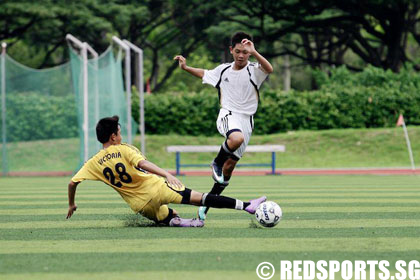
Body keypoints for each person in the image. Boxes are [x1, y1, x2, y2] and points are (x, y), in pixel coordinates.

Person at [66, 115, 266, 227]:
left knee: (168, 216)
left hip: (140, 205)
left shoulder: (92, 163)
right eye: (118, 132)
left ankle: (182, 222)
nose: (120, 135)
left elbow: (72, 183)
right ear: (112, 136)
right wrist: (166, 174)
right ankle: (247, 206)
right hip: (158, 188)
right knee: (203, 198)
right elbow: (143, 164)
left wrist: (72, 204)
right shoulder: (124, 149)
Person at [174, 31, 273, 220]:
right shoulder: (223, 70)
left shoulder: (254, 70)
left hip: (247, 121)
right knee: (236, 139)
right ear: (231, 50)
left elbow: (269, 69)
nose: (241, 55)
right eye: (238, 51)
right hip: (228, 114)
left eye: (245, 52)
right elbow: (205, 73)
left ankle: (207, 204)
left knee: (229, 170)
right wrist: (186, 68)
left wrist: (255, 52)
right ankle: (216, 162)